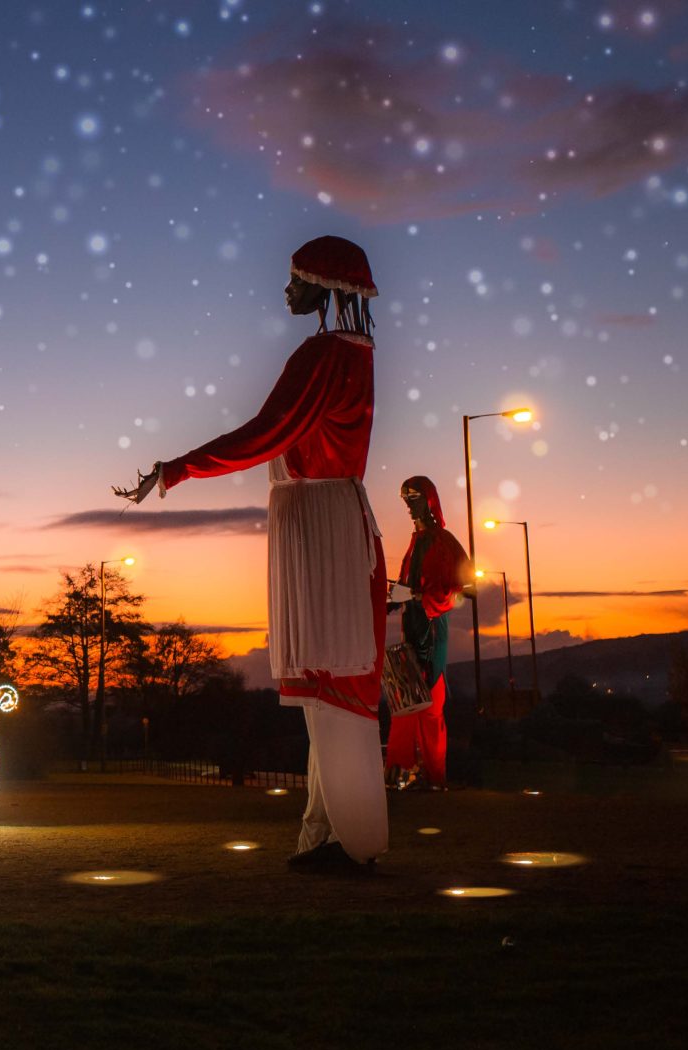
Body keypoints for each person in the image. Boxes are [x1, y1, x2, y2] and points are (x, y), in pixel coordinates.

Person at [117, 235, 387, 874]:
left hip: (320, 526)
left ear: (323, 285)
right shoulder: (356, 353)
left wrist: (176, 468)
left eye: (296, 280)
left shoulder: (323, 355)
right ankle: (330, 831)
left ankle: (353, 837)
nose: (286, 291)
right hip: (328, 519)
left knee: (334, 682)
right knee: (329, 685)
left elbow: (266, 434)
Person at [385, 476, 468, 791]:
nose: (408, 504)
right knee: (405, 705)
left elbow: (454, 589)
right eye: (405, 497)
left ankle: (433, 777)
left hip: (431, 632)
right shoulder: (417, 542)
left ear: (429, 499)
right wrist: (397, 598)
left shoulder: (440, 542)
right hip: (413, 629)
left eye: (415, 496)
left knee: (430, 707)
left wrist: (414, 597)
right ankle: (399, 773)